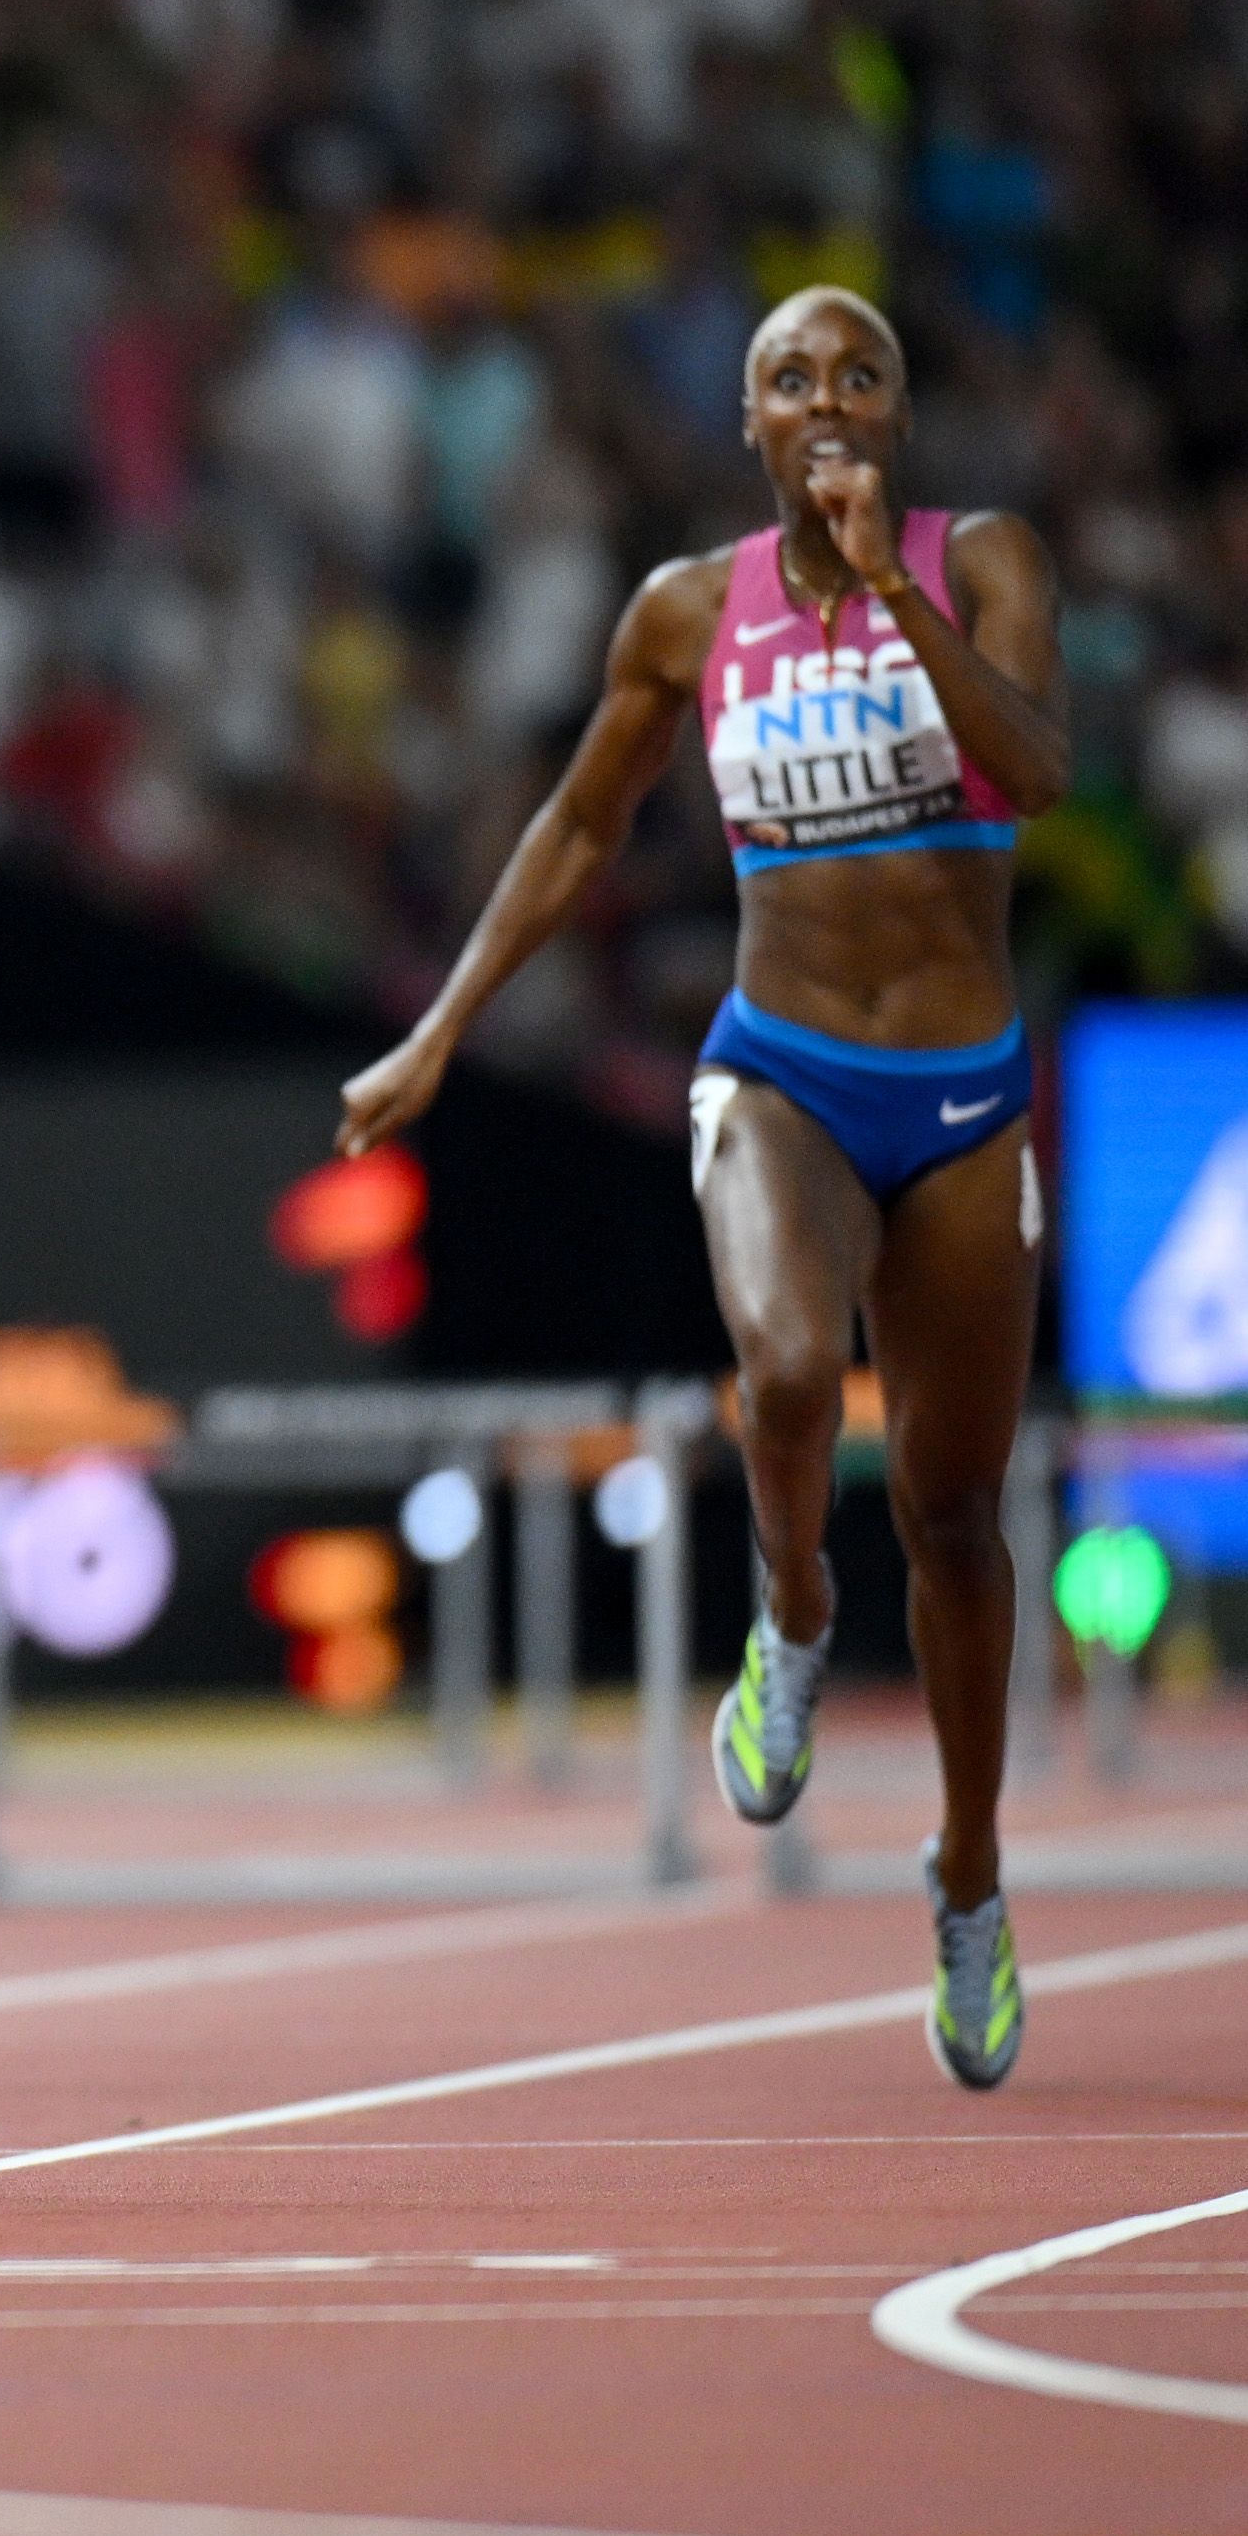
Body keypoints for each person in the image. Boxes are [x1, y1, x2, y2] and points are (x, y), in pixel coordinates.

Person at [340, 286, 1061, 2088]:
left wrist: (889, 594)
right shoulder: (685, 610)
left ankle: (966, 1880)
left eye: (861, 372)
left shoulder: (978, 562)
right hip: (781, 1072)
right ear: (744, 422)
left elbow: (1035, 771)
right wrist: (437, 1030)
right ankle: (792, 1617)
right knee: (797, 1373)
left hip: (963, 1093)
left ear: (899, 411)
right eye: (789, 378)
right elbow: (578, 821)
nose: (828, 397)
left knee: (961, 1525)